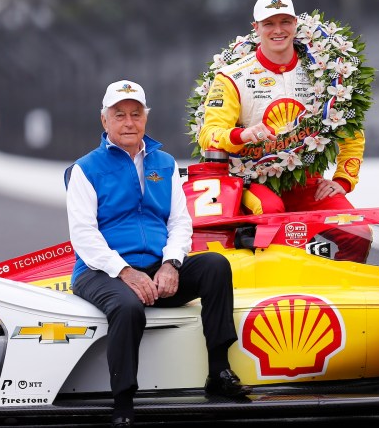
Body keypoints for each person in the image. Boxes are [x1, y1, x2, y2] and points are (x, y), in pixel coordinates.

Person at [65, 80, 250, 428]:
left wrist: (171, 264)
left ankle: (219, 372)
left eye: (136, 114)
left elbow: (181, 222)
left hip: (155, 269)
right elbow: (84, 237)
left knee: (214, 266)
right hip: (100, 272)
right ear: (104, 121)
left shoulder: (163, 164)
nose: (129, 122)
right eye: (119, 115)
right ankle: (122, 399)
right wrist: (125, 272)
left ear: (146, 118)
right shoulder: (85, 169)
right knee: (128, 305)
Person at [197, 0, 369, 263]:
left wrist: (343, 180)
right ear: (256, 28)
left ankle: (339, 297)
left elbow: (351, 129)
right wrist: (242, 134)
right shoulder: (232, 76)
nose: (278, 30)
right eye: (269, 24)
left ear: (296, 25)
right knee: (272, 214)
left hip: (307, 179)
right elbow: (209, 134)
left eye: (285, 22)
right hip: (253, 179)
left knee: (357, 233)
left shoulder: (322, 69)